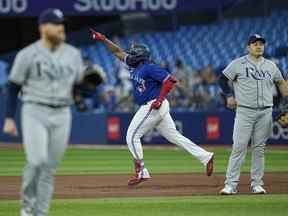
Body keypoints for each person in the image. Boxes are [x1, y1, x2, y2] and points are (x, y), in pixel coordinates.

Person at [90, 29, 214, 186]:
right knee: (174, 136)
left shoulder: (149, 67)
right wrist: (103, 39)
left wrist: (160, 99)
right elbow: (117, 51)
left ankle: (141, 171)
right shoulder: (133, 64)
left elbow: (170, 80)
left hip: (154, 104)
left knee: (131, 136)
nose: (129, 54)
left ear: (139, 56)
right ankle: (206, 157)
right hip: (153, 104)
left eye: (133, 53)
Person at [2, 9, 84, 215]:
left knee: (49, 168)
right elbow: (13, 87)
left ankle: (41, 212)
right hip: (34, 110)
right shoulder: (27, 54)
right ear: (42, 28)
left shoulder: (73, 55)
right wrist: (9, 118)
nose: (60, 28)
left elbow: (78, 87)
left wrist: (88, 88)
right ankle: (27, 209)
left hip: (63, 113)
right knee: (37, 161)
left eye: (61, 24)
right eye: (55, 24)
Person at [218, 34, 288, 195]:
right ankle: (230, 185)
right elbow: (222, 79)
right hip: (244, 111)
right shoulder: (238, 63)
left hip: (265, 111)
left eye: (261, 44)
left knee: (259, 149)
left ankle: (257, 184)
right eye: (255, 44)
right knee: (239, 147)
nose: (259, 46)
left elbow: (282, 83)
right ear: (248, 47)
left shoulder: (271, 66)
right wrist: (229, 95)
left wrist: (286, 104)